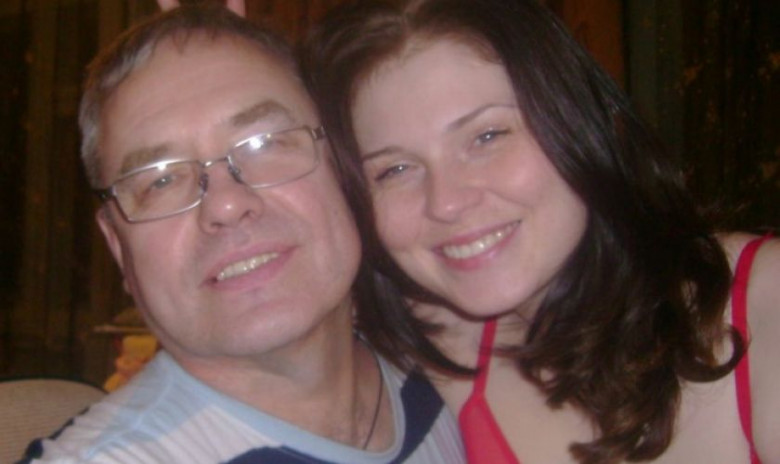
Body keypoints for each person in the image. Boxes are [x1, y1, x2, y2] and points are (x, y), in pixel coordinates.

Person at [302, 0, 780, 463]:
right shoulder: (441, 345)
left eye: (488, 136)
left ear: (579, 121)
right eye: (395, 169)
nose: (446, 202)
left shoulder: (763, 302)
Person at [19, 4, 465, 463]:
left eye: (264, 143)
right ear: (117, 246)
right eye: (161, 180)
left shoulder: (458, 383)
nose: (226, 205)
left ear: (342, 168)